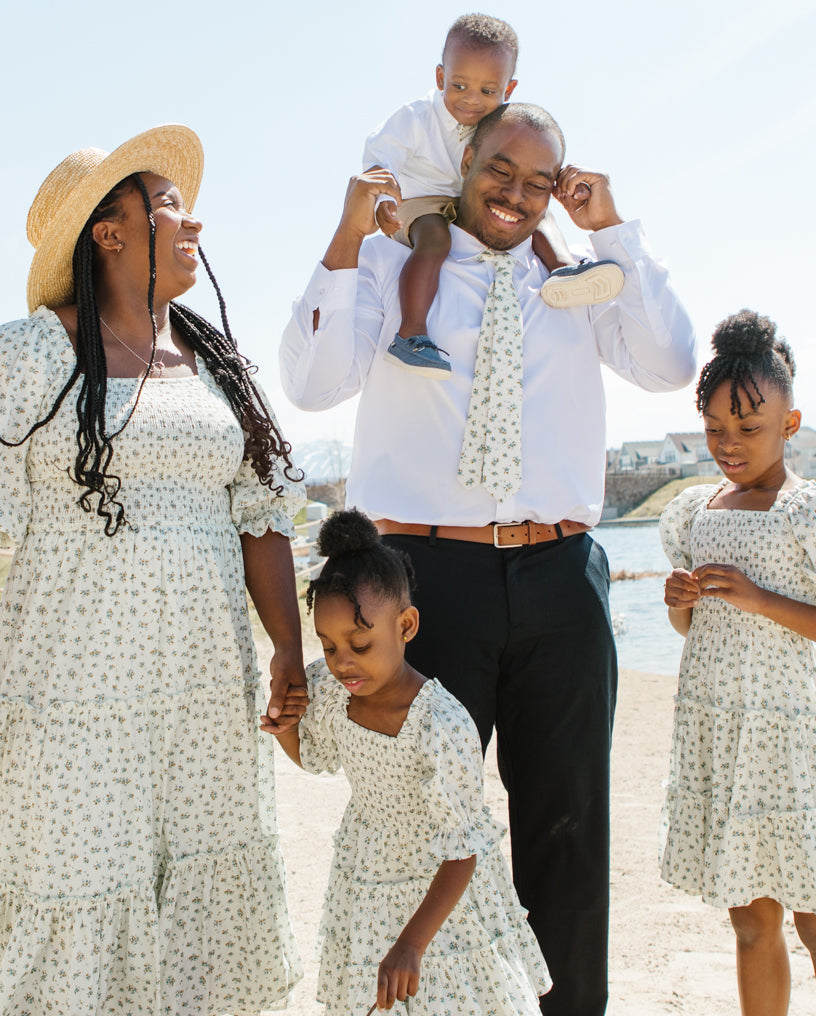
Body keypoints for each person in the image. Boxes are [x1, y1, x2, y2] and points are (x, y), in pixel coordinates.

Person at [279, 101, 696, 1016]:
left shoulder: (583, 280)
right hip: (429, 586)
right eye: (499, 170)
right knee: (427, 836)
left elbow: (672, 364)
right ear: (465, 159)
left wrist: (611, 227)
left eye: (537, 181)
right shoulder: (395, 269)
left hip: (562, 576)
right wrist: (349, 237)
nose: (515, 194)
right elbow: (309, 384)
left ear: (558, 189)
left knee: (568, 835)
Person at [0, 126, 305, 1014]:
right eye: (166, 203)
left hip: (208, 696)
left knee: (201, 914)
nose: (192, 221)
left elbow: (261, 517)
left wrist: (288, 648)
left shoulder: (218, 368)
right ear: (109, 232)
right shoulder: (26, 356)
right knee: (75, 889)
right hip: (69, 697)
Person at [267, 508, 551, 1014]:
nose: (342, 662)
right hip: (369, 878)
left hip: (441, 897)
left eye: (360, 644)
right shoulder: (335, 692)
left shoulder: (440, 725)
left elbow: (463, 850)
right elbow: (314, 756)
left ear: (406, 624)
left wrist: (412, 943)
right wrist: (285, 723)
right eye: (329, 647)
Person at [660, 310, 816, 1016]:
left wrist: (760, 599)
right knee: (752, 921)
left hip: (794, 747)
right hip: (728, 741)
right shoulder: (697, 511)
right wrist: (678, 600)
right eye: (716, 429)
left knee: (814, 918)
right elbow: (693, 631)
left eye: (749, 429)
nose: (729, 444)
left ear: (790, 424)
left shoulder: (803, 510)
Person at [365, 13, 624, 377]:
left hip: (467, 201)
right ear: (440, 78)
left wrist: (558, 179)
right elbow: (382, 154)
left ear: (509, 89)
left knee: (533, 210)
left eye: (487, 91)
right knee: (435, 239)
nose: (471, 100)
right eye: (459, 86)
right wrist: (384, 200)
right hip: (420, 201)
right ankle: (411, 333)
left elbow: (532, 156)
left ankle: (564, 270)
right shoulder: (416, 118)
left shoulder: (502, 122)